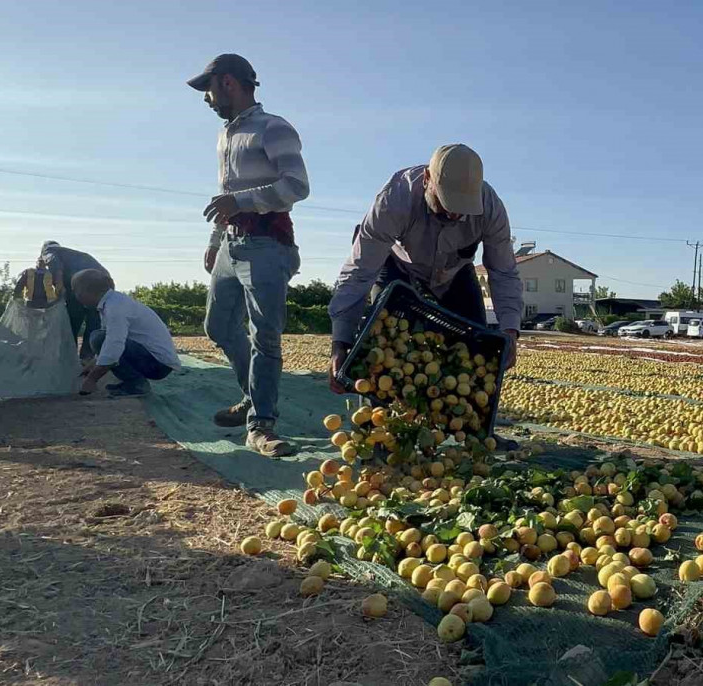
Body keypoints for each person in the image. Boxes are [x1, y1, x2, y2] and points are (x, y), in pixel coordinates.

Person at [187, 53, 309, 457]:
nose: (207, 100)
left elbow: (296, 186)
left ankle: (262, 426)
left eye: (208, 90)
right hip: (231, 245)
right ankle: (250, 397)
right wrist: (214, 239)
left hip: (267, 246)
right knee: (218, 326)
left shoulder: (273, 129)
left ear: (227, 83)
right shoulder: (226, 136)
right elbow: (226, 198)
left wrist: (240, 202)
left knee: (265, 337)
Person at [328, 144, 522, 393]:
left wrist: (510, 331)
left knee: (475, 351)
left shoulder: (490, 208)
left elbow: (503, 272)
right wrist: (340, 343)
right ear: (427, 179)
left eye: (461, 209)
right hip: (398, 265)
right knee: (384, 341)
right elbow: (359, 271)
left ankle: (453, 421)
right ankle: (378, 421)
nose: (453, 215)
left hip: (454, 271)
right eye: (446, 203)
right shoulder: (395, 200)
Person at [72, 269, 181, 397]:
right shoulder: (113, 302)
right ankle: (133, 382)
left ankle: (137, 384)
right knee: (100, 337)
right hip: (156, 360)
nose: (75, 296)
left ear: (85, 292)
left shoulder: (115, 308)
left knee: (98, 338)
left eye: (75, 291)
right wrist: (93, 364)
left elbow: (114, 345)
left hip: (158, 365)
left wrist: (92, 378)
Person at [38, 241, 111, 364]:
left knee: (72, 321)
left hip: (83, 285)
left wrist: (60, 289)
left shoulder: (49, 251)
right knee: (94, 321)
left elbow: (56, 266)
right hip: (104, 285)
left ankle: (69, 356)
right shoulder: (73, 254)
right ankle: (87, 357)